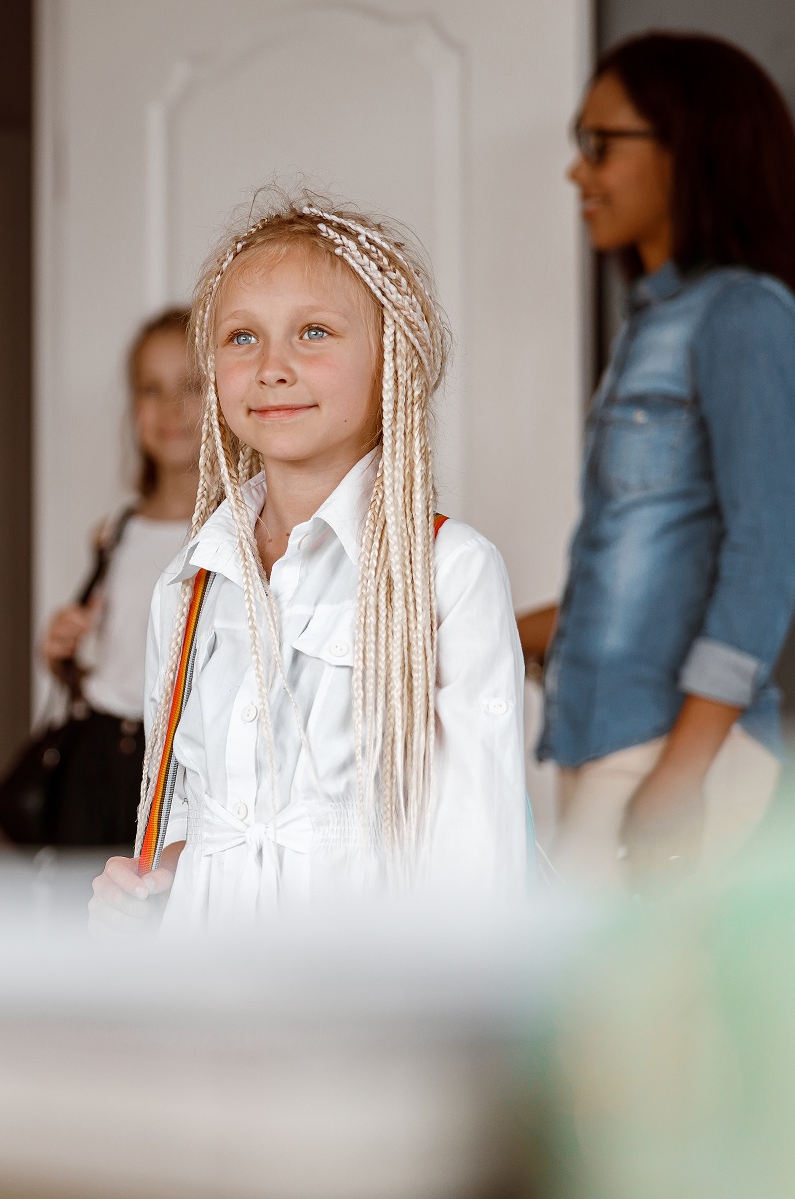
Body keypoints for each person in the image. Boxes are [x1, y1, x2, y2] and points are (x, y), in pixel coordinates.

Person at [88, 196, 529, 932]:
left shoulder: (448, 573)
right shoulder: (192, 587)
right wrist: (159, 877)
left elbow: (475, 861)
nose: (271, 368)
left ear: (391, 360)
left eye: (313, 333)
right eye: (241, 338)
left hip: (358, 1006)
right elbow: (200, 812)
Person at [521, 32, 795, 890]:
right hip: (601, 735)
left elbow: (762, 560)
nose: (578, 173)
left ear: (687, 149)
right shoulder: (651, 326)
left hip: (671, 752)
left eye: (600, 145)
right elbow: (634, 571)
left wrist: (682, 774)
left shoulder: (744, 321)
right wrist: (470, 634)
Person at [31, 308, 201, 846]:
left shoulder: (244, 528)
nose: (171, 407)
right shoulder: (115, 530)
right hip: (100, 754)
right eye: (151, 389)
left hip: (182, 757)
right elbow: (110, 660)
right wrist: (62, 653)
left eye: (192, 386)